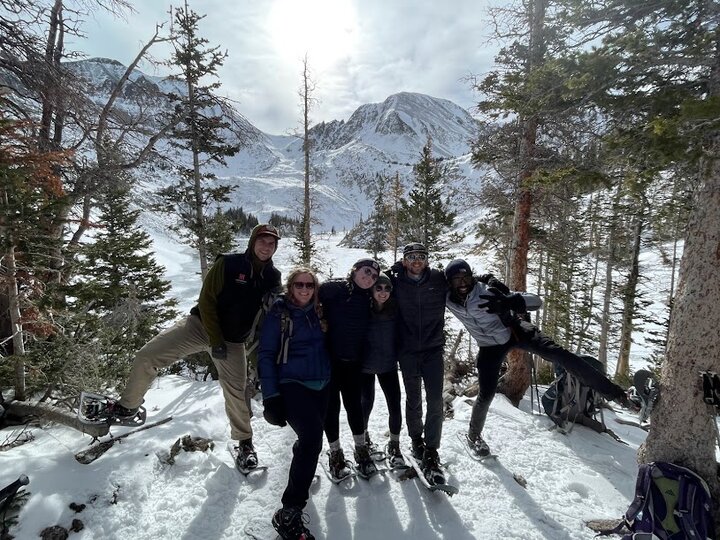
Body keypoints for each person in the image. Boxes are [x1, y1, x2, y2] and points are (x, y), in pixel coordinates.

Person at [110, 223, 282, 470]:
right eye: (262, 241)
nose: (266, 247)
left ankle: (244, 442)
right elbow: (207, 300)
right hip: (200, 326)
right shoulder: (229, 264)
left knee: (236, 390)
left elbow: (268, 318)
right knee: (147, 356)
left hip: (233, 341)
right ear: (252, 241)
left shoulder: (272, 277)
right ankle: (128, 406)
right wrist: (215, 340)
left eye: (271, 243)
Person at [443, 258, 629, 458]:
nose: (462, 283)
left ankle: (616, 394)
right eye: (457, 279)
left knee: (561, 355)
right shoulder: (445, 297)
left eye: (466, 277)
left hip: (514, 331)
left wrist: (509, 301)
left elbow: (536, 301)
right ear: (449, 282)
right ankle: (474, 436)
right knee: (486, 393)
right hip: (489, 347)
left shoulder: (487, 291)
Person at [258, 268, 330, 540]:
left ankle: (302, 471)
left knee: (308, 442)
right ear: (290, 287)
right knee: (312, 440)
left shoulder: (320, 310)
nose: (304, 289)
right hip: (292, 385)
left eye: (309, 284)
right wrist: (270, 396)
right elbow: (266, 354)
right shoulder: (280, 313)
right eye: (299, 284)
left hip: (322, 385)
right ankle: (289, 511)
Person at [388, 242, 448, 485]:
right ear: (404, 260)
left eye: (421, 256)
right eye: (411, 256)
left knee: (435, 399)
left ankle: (432, 451)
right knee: (413, 398)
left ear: (427, 260)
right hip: (408, 350)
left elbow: (462, 281)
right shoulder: (395, 280)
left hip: (433, 349)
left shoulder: (438, 279)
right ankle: (416, 440)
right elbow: (372, 286)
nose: (416, 260)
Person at [319, 258, 380, 479]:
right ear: (354, 270)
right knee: (331, 407)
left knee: (354, 405)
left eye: (374, 276)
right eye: (366, 271)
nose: (369, 277)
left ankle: (361, 448)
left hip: (354, 363)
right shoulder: (333, 288)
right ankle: (335, 452)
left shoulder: (369, 297)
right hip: (329, 361)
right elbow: (306, 296)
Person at [360, 272, 405, 468]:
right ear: (371, 289)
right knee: (365, 404)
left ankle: (394, 443)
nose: (383, 292)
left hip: (388, 366)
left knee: (394, 405)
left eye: (387, 288)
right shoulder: (361, 308)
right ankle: (363, 438)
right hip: (365, 367)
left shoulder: (395, 309)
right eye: (378, 287)